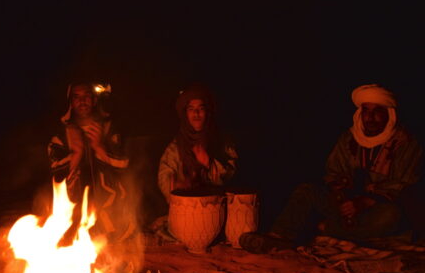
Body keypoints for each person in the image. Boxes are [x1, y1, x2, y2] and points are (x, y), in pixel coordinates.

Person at [242, 84, 423, 253]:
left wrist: (365, 201)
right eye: (366, 111)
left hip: (377, 209)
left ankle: (326, 228)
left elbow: (403, 184)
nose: (370, 117)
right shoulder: (349, 139)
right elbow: (334, 172)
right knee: (307, 191)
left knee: (392, 216)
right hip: (346, 206)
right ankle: (278, 236)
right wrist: (341, 195)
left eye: (377, 112)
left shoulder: (406, 143)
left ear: (388, 114)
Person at [48, 82, 132, 242]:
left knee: (113, 251)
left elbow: (124, 165)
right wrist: (77, 152)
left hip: (110, 209)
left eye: (86, 96)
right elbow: (56, 175)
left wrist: (99, 147)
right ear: (71, 102)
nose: (82, 101)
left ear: (94, 100)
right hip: (73, 210)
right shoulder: (61, 133)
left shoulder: (109, 127)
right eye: (77, 97)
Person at [158, 83, 237, 203]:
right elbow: (164, 175)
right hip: (186, 210)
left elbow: (232, 175)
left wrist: (209, 163)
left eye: (201, 109)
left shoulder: (222, 141)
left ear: (207, 112)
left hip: (216, 208)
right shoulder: (176, 147)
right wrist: (177, 185)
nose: (196, 114)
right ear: (186, 114)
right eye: (191, 109)